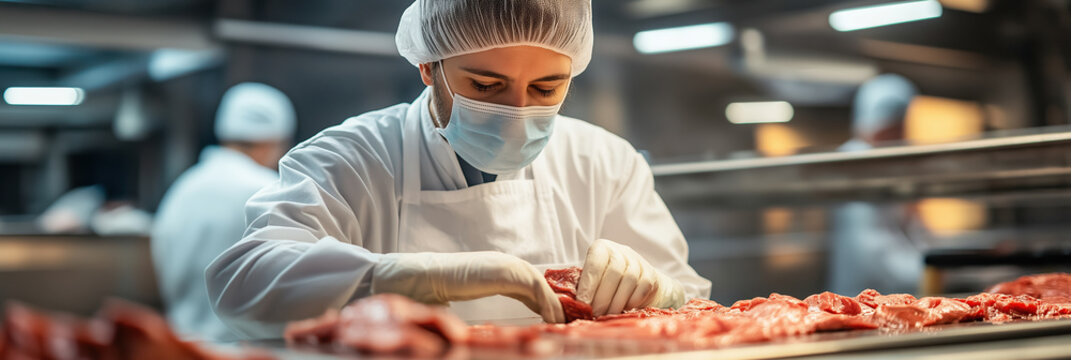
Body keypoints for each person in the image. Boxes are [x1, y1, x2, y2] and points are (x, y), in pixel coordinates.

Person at [206, 0, 711, 339]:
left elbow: (697, 310)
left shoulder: (603, 162)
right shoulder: (353, 159)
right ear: (428, 67)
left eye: (546, 89)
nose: (517, 116)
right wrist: (410, 275)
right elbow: (240, 285)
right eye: (486, 87)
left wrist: (663, 293)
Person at [151, 82, 295, 341]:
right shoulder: (269, 190)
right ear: (272, 142)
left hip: (185, 347)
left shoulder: (183, 189)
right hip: (250, 348)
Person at [830, 74, 923, 295]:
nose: (903, 133)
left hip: (890, 290)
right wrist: (926, 271)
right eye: (898, 126)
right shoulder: (856, 162)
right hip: (865, 292)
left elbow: (908, 226)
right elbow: (870, 245)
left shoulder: (885, 161)